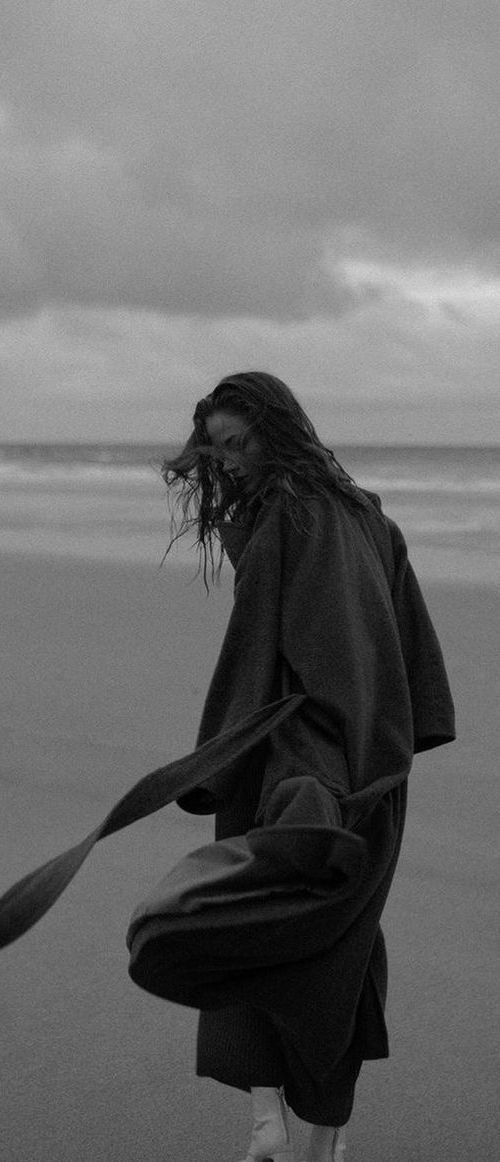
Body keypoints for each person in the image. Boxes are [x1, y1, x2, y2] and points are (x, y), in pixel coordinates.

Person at [160, 372, 455, 1162]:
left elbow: (285, 654)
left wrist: (227, 762)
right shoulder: (360, 510)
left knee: (260, 929)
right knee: (336, 943)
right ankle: (313, 1136)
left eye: (238, 443)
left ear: (275, 430)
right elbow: (400, 646)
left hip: (301, 766)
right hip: (366, 767)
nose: (225, 463)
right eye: (215, 449)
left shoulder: (299, 514)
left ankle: (277, 1128)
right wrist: (381, 749)